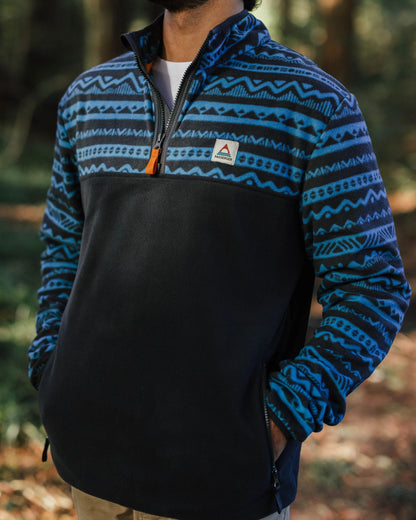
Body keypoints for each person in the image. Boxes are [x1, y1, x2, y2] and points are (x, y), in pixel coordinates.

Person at [28, 0, 411, 518]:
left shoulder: (314, 104)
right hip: (89, 469)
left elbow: (374, 288)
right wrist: (50, 369)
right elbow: (63, 249)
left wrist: (276, 419)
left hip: (220, 484)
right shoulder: (89, 96)